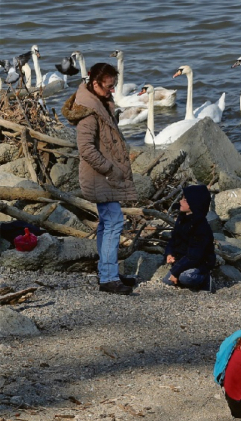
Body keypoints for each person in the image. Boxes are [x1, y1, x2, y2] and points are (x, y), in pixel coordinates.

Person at [63, 62, 138, 295]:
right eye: (108, 86)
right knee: (114, 222)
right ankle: (108, 277)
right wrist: (111, 169)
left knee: (108, 223)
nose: (112, 90)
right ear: (94, 84)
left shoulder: (100, 103)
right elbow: (86, 149)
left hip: (102, 177)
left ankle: (108, 273)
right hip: (100, 177)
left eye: (113, 86)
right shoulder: (88, 111)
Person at [162, 185, 216, 291]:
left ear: (193, 203)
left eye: (185, 200)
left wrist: (175, 272)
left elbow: (194, 257)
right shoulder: (182, 219)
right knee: (167, 281)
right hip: (182, 260)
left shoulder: (200, 227)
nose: (181, 202)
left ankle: (205, 278)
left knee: (186, 277)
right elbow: (173, 240)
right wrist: (169, 253)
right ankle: (182, 277)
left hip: (199, 263)